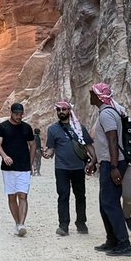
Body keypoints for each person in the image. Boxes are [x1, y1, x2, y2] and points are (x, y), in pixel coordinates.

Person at [87, 81, 131, 257]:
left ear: (99, 96)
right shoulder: (106, 112)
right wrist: (95, 162)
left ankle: (124, 244)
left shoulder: (106, 114)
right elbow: (104, 144)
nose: (90, 95)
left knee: (110, 203)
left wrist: (114, 166)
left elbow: (113, 140)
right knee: (104, 203)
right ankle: (112, 240)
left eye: (92, 93)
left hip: (113, 163)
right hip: (107, 162)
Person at [46, 99, 90, 236]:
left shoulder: (79, 128)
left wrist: (94, 160)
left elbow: (88, 145)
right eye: (58, 110)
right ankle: (63, 225)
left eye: (64, 109)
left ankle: (81, 223)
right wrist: (46, 154)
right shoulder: (52, 129)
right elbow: (51, 149)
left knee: (80, 196)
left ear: (69, 111)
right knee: (63, 196)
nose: (61, 112)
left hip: (78, 168)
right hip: (62, 169)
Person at [0, 102, 38, 236]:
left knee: (23, 195)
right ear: (11, 113)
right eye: (16, 114)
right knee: (12, 196)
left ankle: (22, 224)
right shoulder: (2, 127)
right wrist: (4, 156)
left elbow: (33, 145)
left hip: (23, 167)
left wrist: (30, 162)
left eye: (21, 114)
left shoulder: (27, 128)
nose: (19, 116)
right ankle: (18, 223)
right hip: (8, 168)